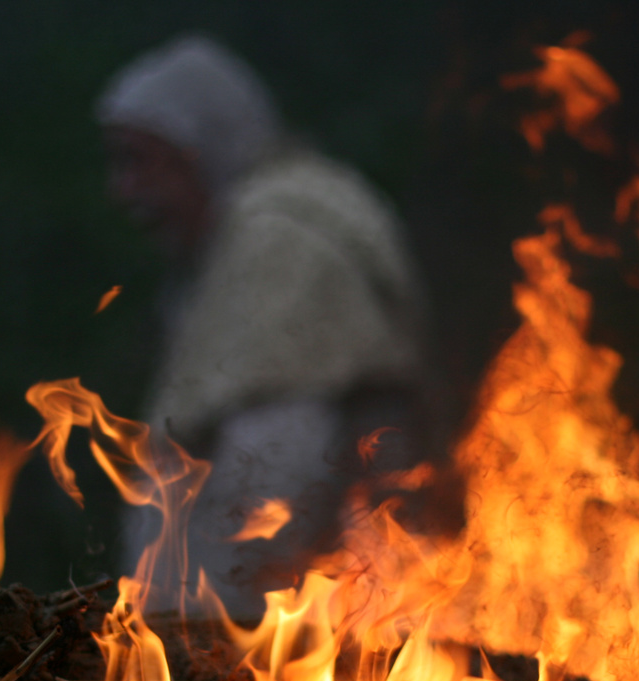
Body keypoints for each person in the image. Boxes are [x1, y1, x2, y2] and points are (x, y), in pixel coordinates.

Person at [97, 34, 430, 616]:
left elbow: (279, 445)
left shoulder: (280, 232)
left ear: (200, 149)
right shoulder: (263, 224)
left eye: (140, 161)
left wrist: (207, 625)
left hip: (322, 589)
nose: (122, 190)